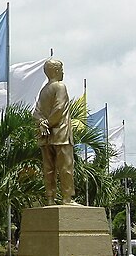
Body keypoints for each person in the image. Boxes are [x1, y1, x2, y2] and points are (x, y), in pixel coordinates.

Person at [33, 59, 76, 205]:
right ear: (56, 71)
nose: (63, 72)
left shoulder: (43, 91)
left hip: (45, 136)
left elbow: (36, 112)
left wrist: (42, 123)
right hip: (61, 134)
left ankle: (50, 198)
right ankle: (67, 198)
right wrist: (49, 123)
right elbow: (59, 108)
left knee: (48, 169)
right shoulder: (60, 86)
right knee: (66, 167)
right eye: (62, 69)